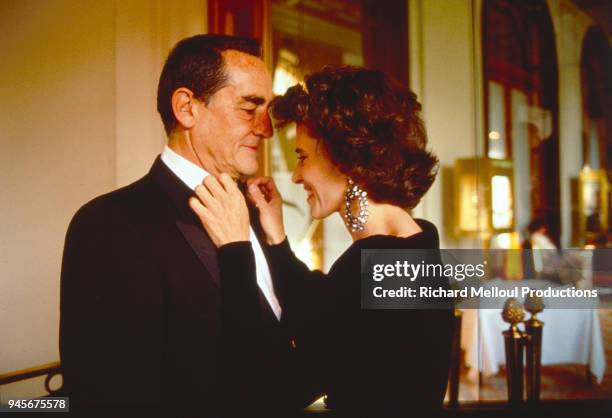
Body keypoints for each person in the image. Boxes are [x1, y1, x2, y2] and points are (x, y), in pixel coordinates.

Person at [190, 66, 455, 415]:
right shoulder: (415, 242)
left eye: (302, 157)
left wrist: (235, 249)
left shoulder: (373, 268)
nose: (297, 176)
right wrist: (277, 240)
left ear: (345, 159)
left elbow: (264, 393)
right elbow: (326, 311)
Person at [59, 34, 301, 414]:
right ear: (187, 108)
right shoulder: (108, 225)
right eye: (249, 107)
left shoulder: (256, 212)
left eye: (267, 109)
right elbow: (106, 395)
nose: (267, 129)